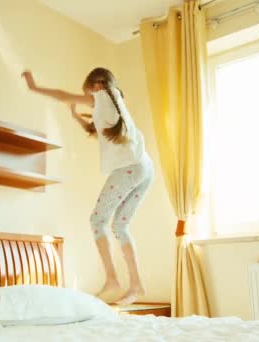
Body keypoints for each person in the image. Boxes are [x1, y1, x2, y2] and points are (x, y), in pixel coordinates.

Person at [22, 67, 153, 305]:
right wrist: (75, 116)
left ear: (95, 86)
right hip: (145, 167)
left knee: (97, 221)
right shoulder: (115, 101)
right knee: (120, 226)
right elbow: (96, 130)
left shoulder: (102, 95)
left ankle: (112, 278)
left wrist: (34, 87)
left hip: (129, 169)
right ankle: (136, 285)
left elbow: (62, 94)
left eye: (87, 93)